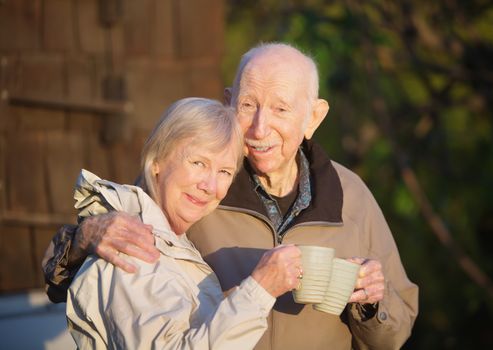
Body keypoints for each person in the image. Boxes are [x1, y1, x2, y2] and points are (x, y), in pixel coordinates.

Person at [43, 43, 419, 349]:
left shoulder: (350, 195)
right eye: (248, 105)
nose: (259, 127)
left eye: (281, 109)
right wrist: (84, 237)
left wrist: (372, 303)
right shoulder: (196, 184)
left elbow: (395, 334)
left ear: (313, 118)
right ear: (229, 102)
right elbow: (94, 265)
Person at [63, 97, 303, 349]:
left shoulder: (172, 242)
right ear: (157, 160)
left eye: (224, 172)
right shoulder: (131, 244)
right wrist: (259, 291)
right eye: (198, 163)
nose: (210, 186)